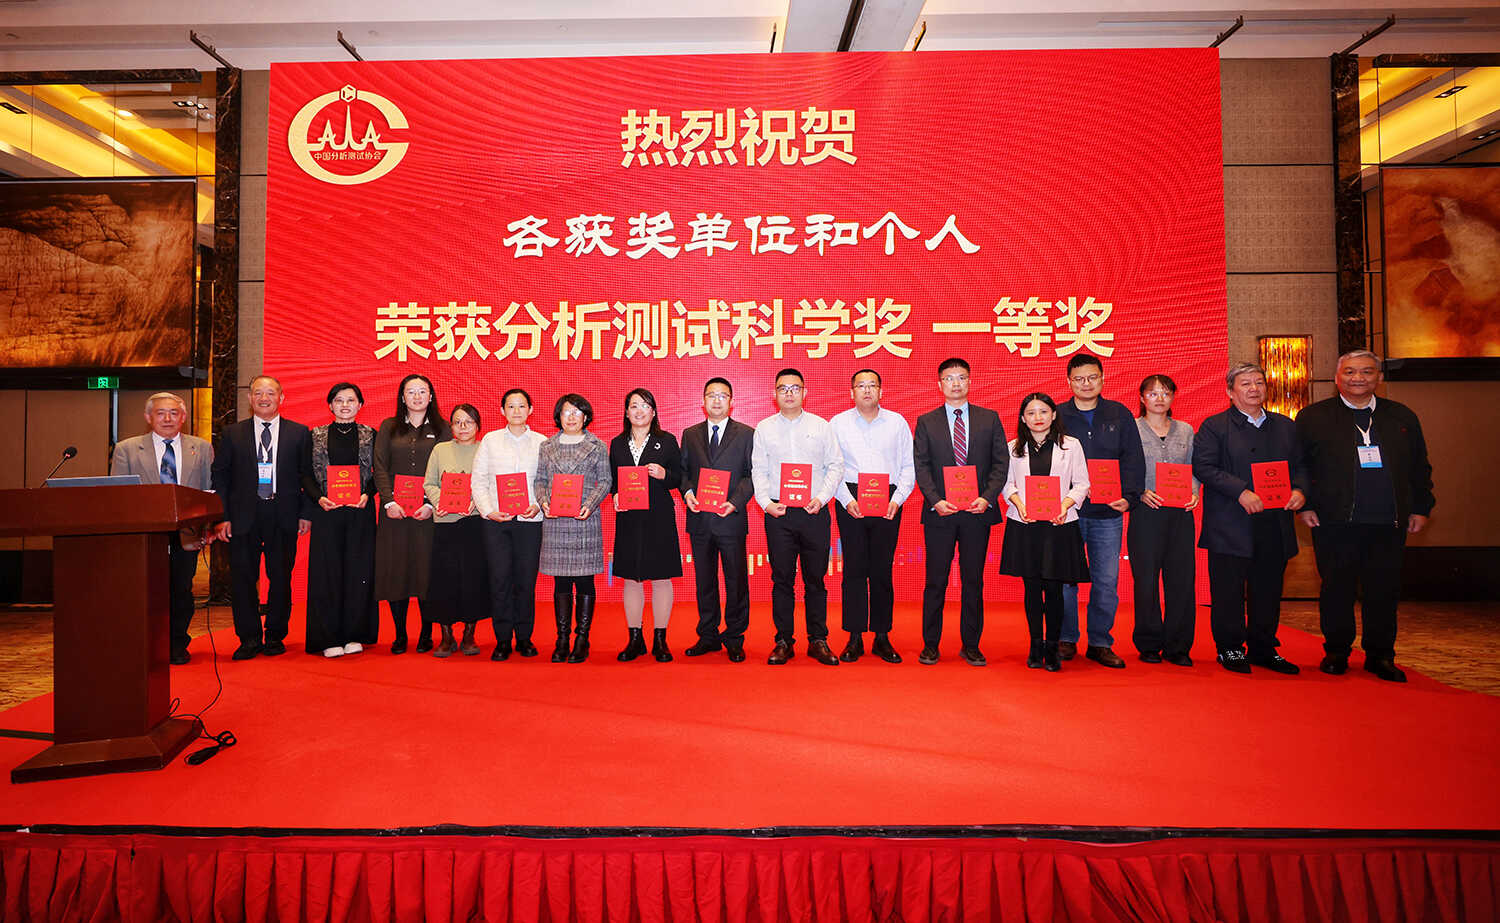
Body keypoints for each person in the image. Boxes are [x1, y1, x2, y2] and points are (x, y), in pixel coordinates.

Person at [1295, 350, 1435, 683]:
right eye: (1350, 372)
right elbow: (1300, 466)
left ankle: (1380, 655)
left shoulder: (1402, 416)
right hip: (1333, 520)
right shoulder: (1313, 417)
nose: (1358, 378)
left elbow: (1420, 466)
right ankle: (1337, 652)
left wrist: (1421, 507)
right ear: (1337, 378)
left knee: (1383, 591)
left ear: (1379, 378)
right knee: (1336, 589)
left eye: (1367, 372)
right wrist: (1305, 504)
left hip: (1388, 521)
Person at [1193, 362, 1307, 675]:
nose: (1254, 389)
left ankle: (1263, 647)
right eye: (1245, 384)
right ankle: (1229, 647)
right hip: (1231, 522)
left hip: (1275, 522)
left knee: (1268, 589)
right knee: (1228, 591)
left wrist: (1300, 490)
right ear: (1230, 392)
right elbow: (1204, 467)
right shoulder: (1214, 426)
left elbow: (1301, 466)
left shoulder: (1285, 426)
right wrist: (1241, 491)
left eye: (1259, 382)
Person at [912, 357, 1008, 666]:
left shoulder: (989, 419)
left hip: (976, 513)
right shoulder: (926, 421)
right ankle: (930, 644)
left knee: (973, 581)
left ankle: (971, 645)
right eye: (949, 378)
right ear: (939, 384)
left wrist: (987, 498)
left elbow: (1000, 463)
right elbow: (921, 466)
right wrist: (935, 500)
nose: (956, 383)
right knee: (935, 581)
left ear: (970, 381)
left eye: (961, 377)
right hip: (940, 513)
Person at [210, 375, 312, 660]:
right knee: (243, 578)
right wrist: (222, 517)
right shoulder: (232, 433)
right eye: (258, 393)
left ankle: (276, 636)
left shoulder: (299, 433)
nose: (264, 398)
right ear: (249, 398)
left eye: (270, 393)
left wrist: (305, 513)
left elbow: (307, 476)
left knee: (280, 578)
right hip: (243, 516)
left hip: (284, 514)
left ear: (281, 398)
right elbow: (220, 477)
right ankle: (249, 638)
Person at [1055, 354, 1145, 669]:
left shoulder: (1119, 414)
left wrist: (1130, 497)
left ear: (1103, 378)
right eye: (1079, 379)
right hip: (1068, 512)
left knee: (1106, 580)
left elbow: (1133, 459)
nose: (1086, 384)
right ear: (1069, 382)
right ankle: (1065, 638)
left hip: (1108, 513)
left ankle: (1100, 642)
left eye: (1092, 377)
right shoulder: (1058, 415)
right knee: (1065, 579)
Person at [110, 391, 213, 665]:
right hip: (144, 534)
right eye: (160, 413)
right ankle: (148, 644)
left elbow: (207, 491)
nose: (167, 418)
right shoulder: (127, 449)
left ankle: (177, 644)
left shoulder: (201, 448)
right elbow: (117, 495)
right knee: (147, 591)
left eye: (174, 413)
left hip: (186, 533)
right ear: (148, 417)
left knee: (181, 590)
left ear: (183, 417)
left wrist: (207, 529)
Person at [751, 368, 845, 665]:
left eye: (795, 388)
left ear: (805, 392)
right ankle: (783, 641)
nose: (789, 393)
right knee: (782, 579)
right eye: (783, 388)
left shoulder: (821, 426)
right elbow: (758, 469)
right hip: (779, 514)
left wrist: (822, 498)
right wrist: (766, 503)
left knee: (815, 579)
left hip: (814, 512)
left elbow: (836, 465)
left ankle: (818, 639)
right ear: (774, 394)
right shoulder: (764, 428)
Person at [999, 393, 1091, 671]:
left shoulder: (1071, 445)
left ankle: (1052, 646)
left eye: (1043, 411)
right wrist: (1019, 504)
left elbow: (1082, 484)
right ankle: (1035, 645)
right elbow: (1006, 484)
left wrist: (1064, 505)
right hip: (1024, 524)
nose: (1037, 417)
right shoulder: (1012, 447)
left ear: (1053, 414)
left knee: (1054, 588)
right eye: (1031, 413)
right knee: (1031, 588)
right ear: (1022, 418)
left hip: (1058, 524)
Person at [830, 369, 915, 663]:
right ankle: (854, 637)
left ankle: (881, 636)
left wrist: (897, 499)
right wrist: (846, 499)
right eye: (861, 385)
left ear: (881, 390)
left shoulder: (897, 423)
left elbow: (908, 466)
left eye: (872, 385)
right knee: (854, 568)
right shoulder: (838, 423)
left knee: (881, 569)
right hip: (850, 496)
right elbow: (832, 466)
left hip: (888, 499)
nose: (867, 390)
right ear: (851, 392)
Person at [679, 377, 756, 662]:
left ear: (731, 401)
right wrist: (687, 492)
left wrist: (735, 502)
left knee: (736, 581)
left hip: (731, 519)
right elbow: (683, 471)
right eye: (711, 395)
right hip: (700, 519)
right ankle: (708, 635)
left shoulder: (747, 434)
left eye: (723, 395)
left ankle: (735, 637)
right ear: (703, 401)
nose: (716, 400)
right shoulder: (690, 434)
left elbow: (752, 474)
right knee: (705, 581)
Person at [373, 374, 451, 654]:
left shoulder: (443, 428)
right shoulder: (389, 427)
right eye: (411, 392)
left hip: (428, 514)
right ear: (402, 397)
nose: (417, 397)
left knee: (425, 573)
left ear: (431, 396)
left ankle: (426, 633)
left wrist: (431, 504)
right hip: (394, 513)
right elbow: (379, 466)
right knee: (396, 572)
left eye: (422, 391)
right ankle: (400, 634)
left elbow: (447, 470)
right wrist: (388, 502)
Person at [300, 382, 378, 658]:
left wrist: (368, 494)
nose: (345, 405)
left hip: (360, 512)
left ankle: (354, 634)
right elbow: (305, 474)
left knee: (359, 572)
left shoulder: (371, 434)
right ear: (330, 405)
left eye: (351, 400)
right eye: (339, 400)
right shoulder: (315, 435)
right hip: (327, 512)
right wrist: (318, 498)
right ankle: (328, 637)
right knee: (327, 573)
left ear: (360, 405)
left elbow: (380, 472)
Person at [534, 394, 611, 663]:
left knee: (586, 580)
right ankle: (562, 638)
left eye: (577, 412)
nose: (571, 417)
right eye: (566, 412)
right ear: (559, 416)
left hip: (584, 520)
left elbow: (605, 481)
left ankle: (582, 638)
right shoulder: (547, 446)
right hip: (555, 521)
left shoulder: (597, 446)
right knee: (561, 582)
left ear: (586, 417)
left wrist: (589, 504)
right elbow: (540, 480)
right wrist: (544, 502)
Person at [1128, 374, 1199, 666]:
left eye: (1166, 393)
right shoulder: (1131, 429)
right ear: (1142, 398)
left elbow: (1194, 467)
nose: (1160, 398)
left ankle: (1178, 646)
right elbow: (1124, 467)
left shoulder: (1186, 430)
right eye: (1153, 393)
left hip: (1180, 513)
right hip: (1146, 511)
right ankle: (1148, 643)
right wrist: (1139, 492)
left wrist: (1194, 492)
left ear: (1173, 397)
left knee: (1181, 579)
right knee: (1146, 580)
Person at [471, 388, 546, 661]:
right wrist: (488, 511)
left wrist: (538, 505)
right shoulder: (490, 441)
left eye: (521, 406)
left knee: (525, 581)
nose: (516, 411)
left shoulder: (542, 442)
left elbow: (546, 482)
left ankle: (524, 637)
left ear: (530, 410)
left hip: (529, 520)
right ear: (502, 411)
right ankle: (502, 639)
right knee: (500, 579)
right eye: (511, 406)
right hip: (496, 522)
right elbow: (478, 480)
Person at [609, 388, 684, 662]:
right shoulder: (617, 443)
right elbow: (613, 480)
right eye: (633, 406)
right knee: (632, 578)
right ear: (626, 412)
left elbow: (679, 477)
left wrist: (665, 474)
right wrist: (615, 495)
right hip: (629, 518)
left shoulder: (667, 441)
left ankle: (660, 640)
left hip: (659, 517)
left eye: (644, 405)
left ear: (653, 412)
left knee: (661, 577)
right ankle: (635, 638)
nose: (639, 410)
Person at [423, 404, 489, 657]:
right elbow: (429, 483)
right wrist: (440, 501)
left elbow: (490, 483)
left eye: (468, 422)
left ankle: (469, 635)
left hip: (474, 522)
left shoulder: (485, 450)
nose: (463, 427)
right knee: (444, 580)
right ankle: (446, 636)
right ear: (451, 426)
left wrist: (476, 501)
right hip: (445, 523)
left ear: (477, 426)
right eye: (457, 422)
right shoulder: (440, 450)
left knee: (473, 579)